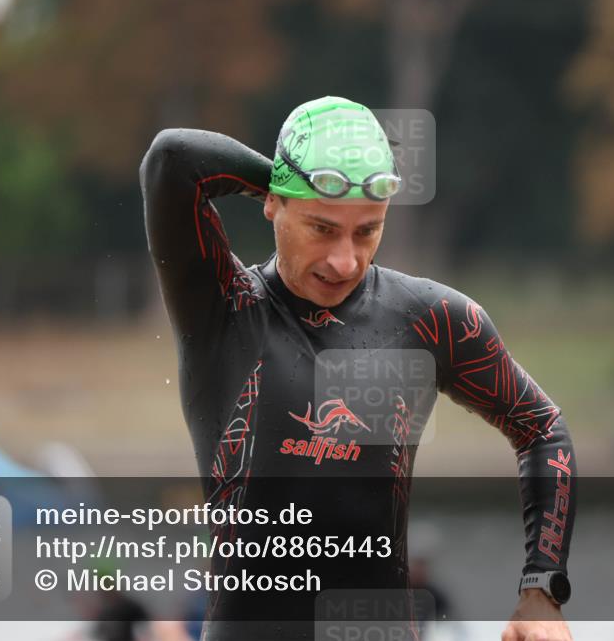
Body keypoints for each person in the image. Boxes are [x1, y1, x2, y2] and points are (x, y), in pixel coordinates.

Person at [141, 95, 576, 641]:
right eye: (322, 228)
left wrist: (542, 590)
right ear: (273, 203)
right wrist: (285, 177)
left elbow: (541, 428)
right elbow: (172, 159)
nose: (345, 259)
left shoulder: (432, 320)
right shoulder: (223, 309)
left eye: (366, 231)